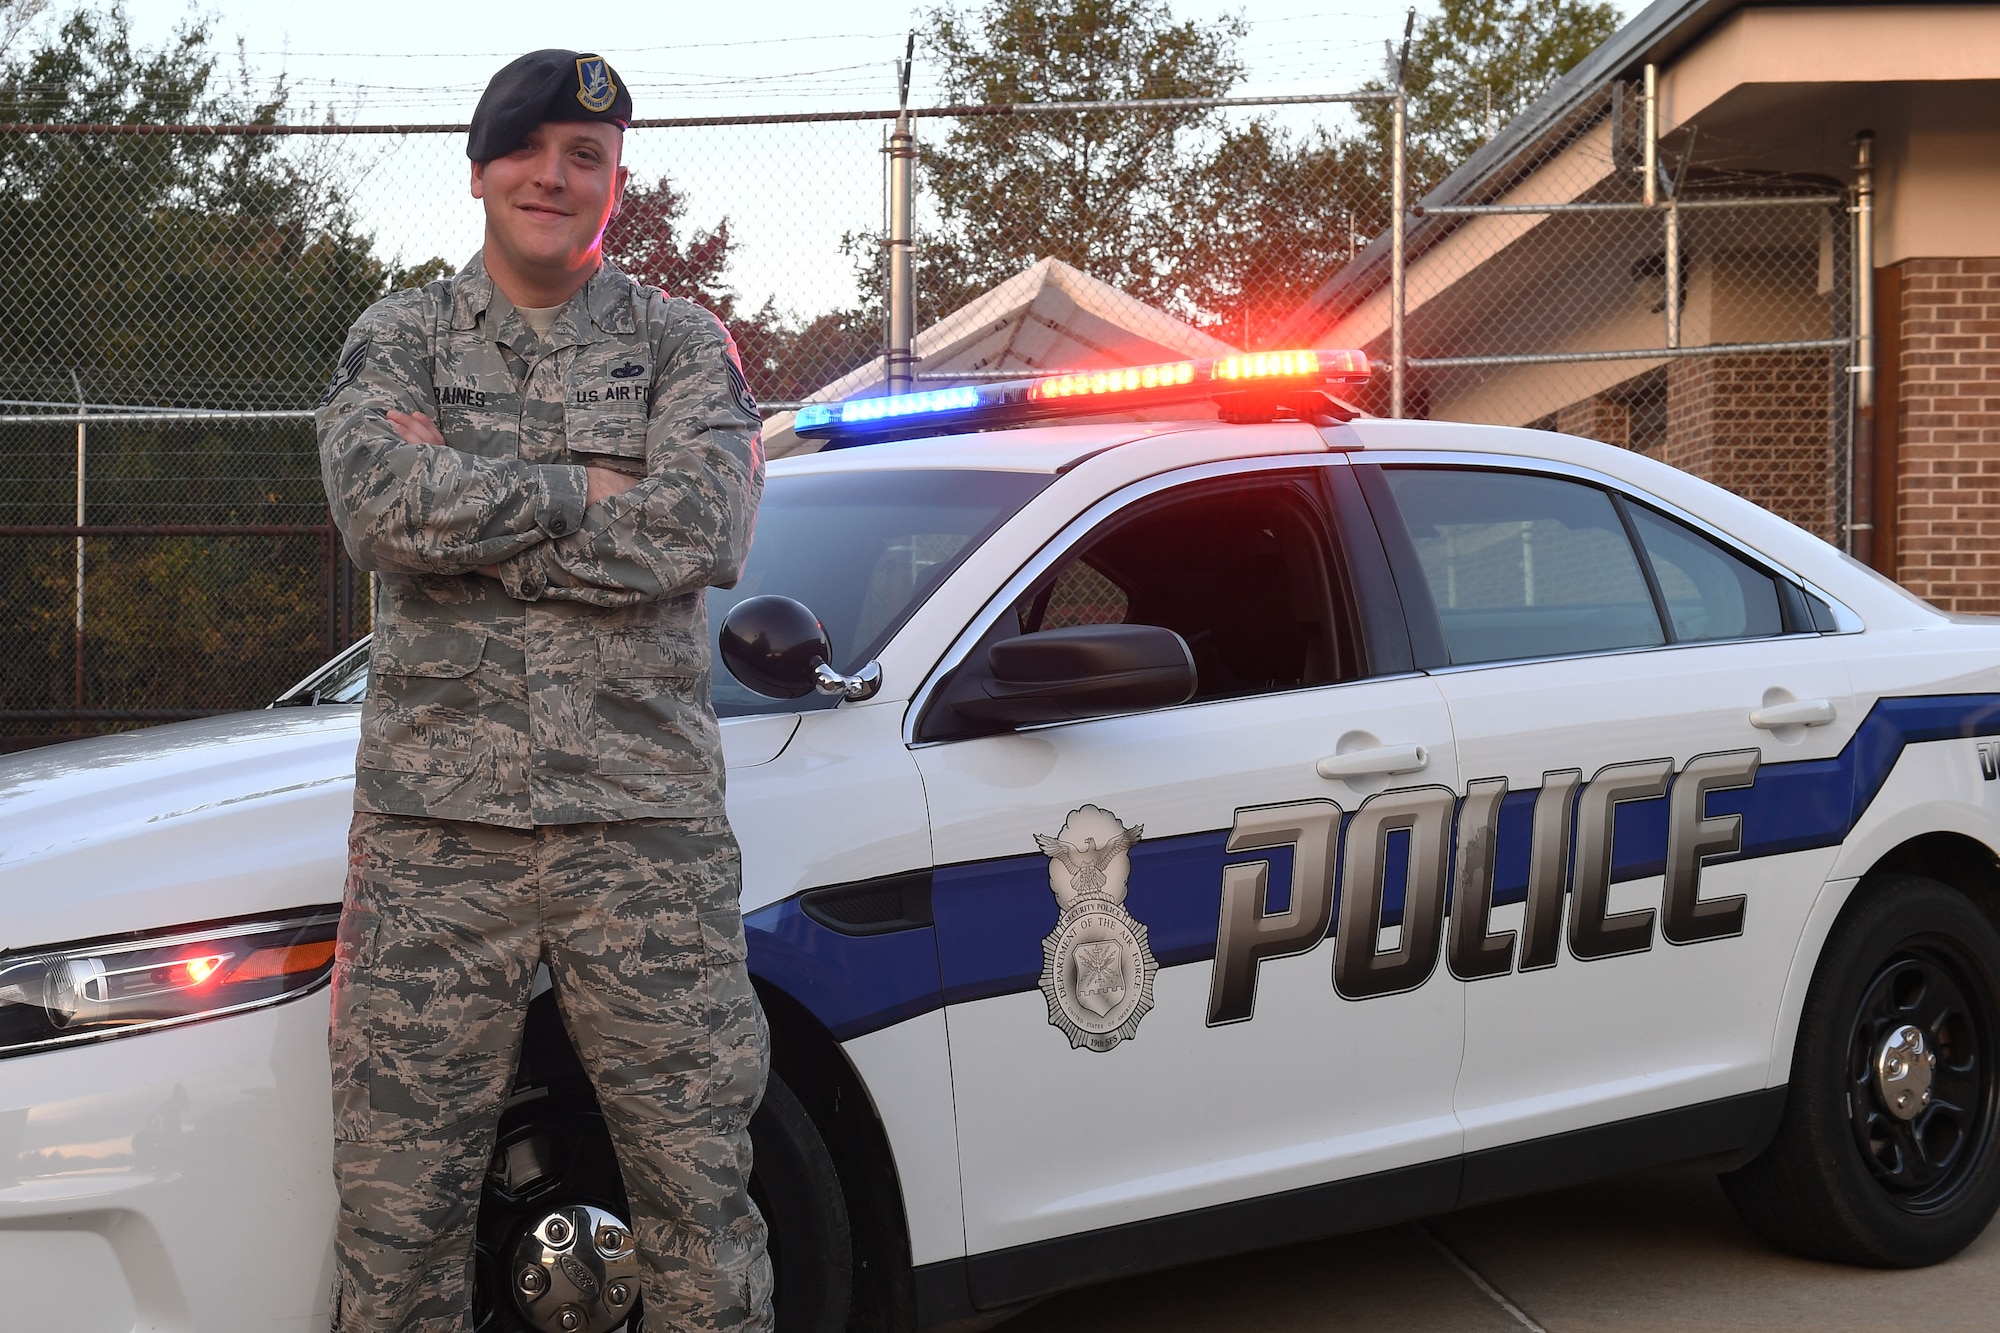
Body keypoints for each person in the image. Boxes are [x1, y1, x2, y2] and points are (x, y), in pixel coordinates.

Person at [315, 48, 769, 1333]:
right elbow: (379, 505)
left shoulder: (683, 344)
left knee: (698, 1202)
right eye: (530, 150)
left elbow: (704, 529)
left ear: (615, 187)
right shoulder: (396, 335)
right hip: (432, 845)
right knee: (396, 1220)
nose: (555, 177)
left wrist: (471, 497)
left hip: (642, 835)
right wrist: (584, 490)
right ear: (478, 171)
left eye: (590, 160)